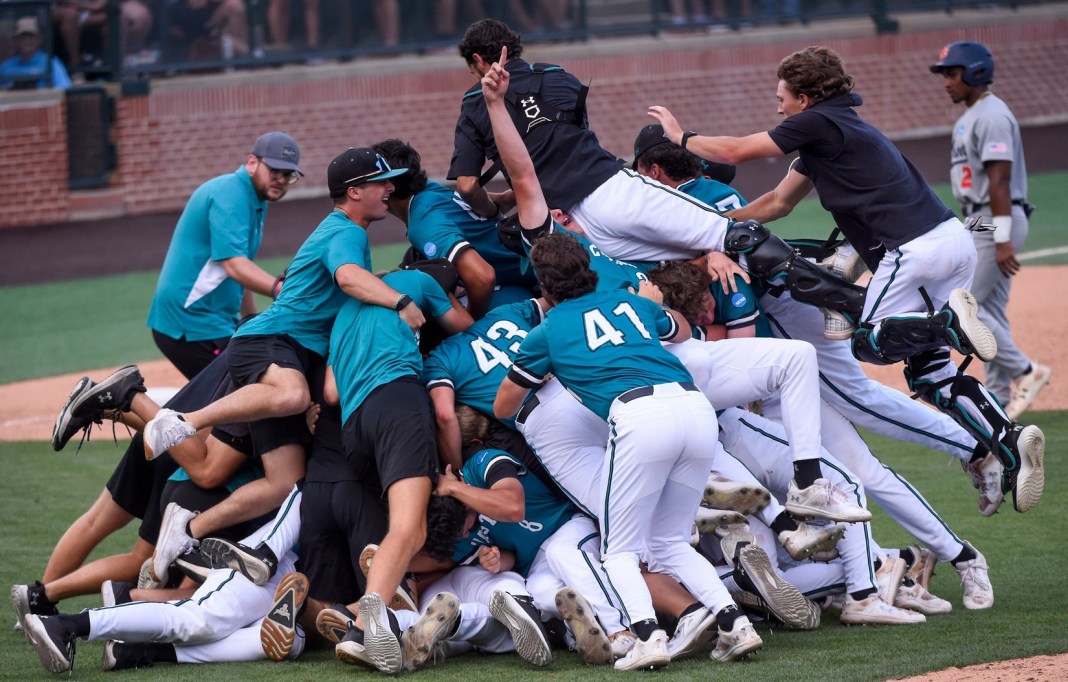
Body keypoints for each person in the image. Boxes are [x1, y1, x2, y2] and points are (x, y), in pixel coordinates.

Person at [649, 45, 1045, 515]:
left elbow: (736, 150)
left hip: (913, 249)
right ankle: (1008, 440)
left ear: (804, 98)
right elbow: (777, 204)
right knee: (931, 375)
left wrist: (681, 136)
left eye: (782, 98)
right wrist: (714, 230)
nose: (779, 108)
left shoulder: (819, 121)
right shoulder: (834, 133)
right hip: (951, 241)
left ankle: (947, 326)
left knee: (868, 342)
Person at [930, 41, 1051, 421]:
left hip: (997, 216)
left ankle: (1027, 371)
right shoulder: (973, 115)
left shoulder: (993, 115)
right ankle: (998, 399)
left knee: (965, 305)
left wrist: (1001, 239)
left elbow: (999, 180)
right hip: (980, 217)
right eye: (944, 74)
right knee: (990, 309)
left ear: (976, 72)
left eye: (953, 73)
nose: (947, 81)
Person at [146, 131, 302, 379]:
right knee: (250, 392)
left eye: (288, 175)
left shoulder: (253, 199)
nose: (280, 179)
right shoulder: (231, 193)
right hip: (192, 324)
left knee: (239, 392)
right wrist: (280, 288)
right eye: (274, 171)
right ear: (252, 162)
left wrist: (251, 322)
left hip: (210, 322)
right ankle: (126, 396)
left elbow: (241, 271)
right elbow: (233, 265)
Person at [0, 16, 72, 90]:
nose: (27, 41)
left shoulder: (51, 63)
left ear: (39, 39)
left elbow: (64, 88)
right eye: (23, 37)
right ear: (16, 40)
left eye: (31, 36)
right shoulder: (6, 66)